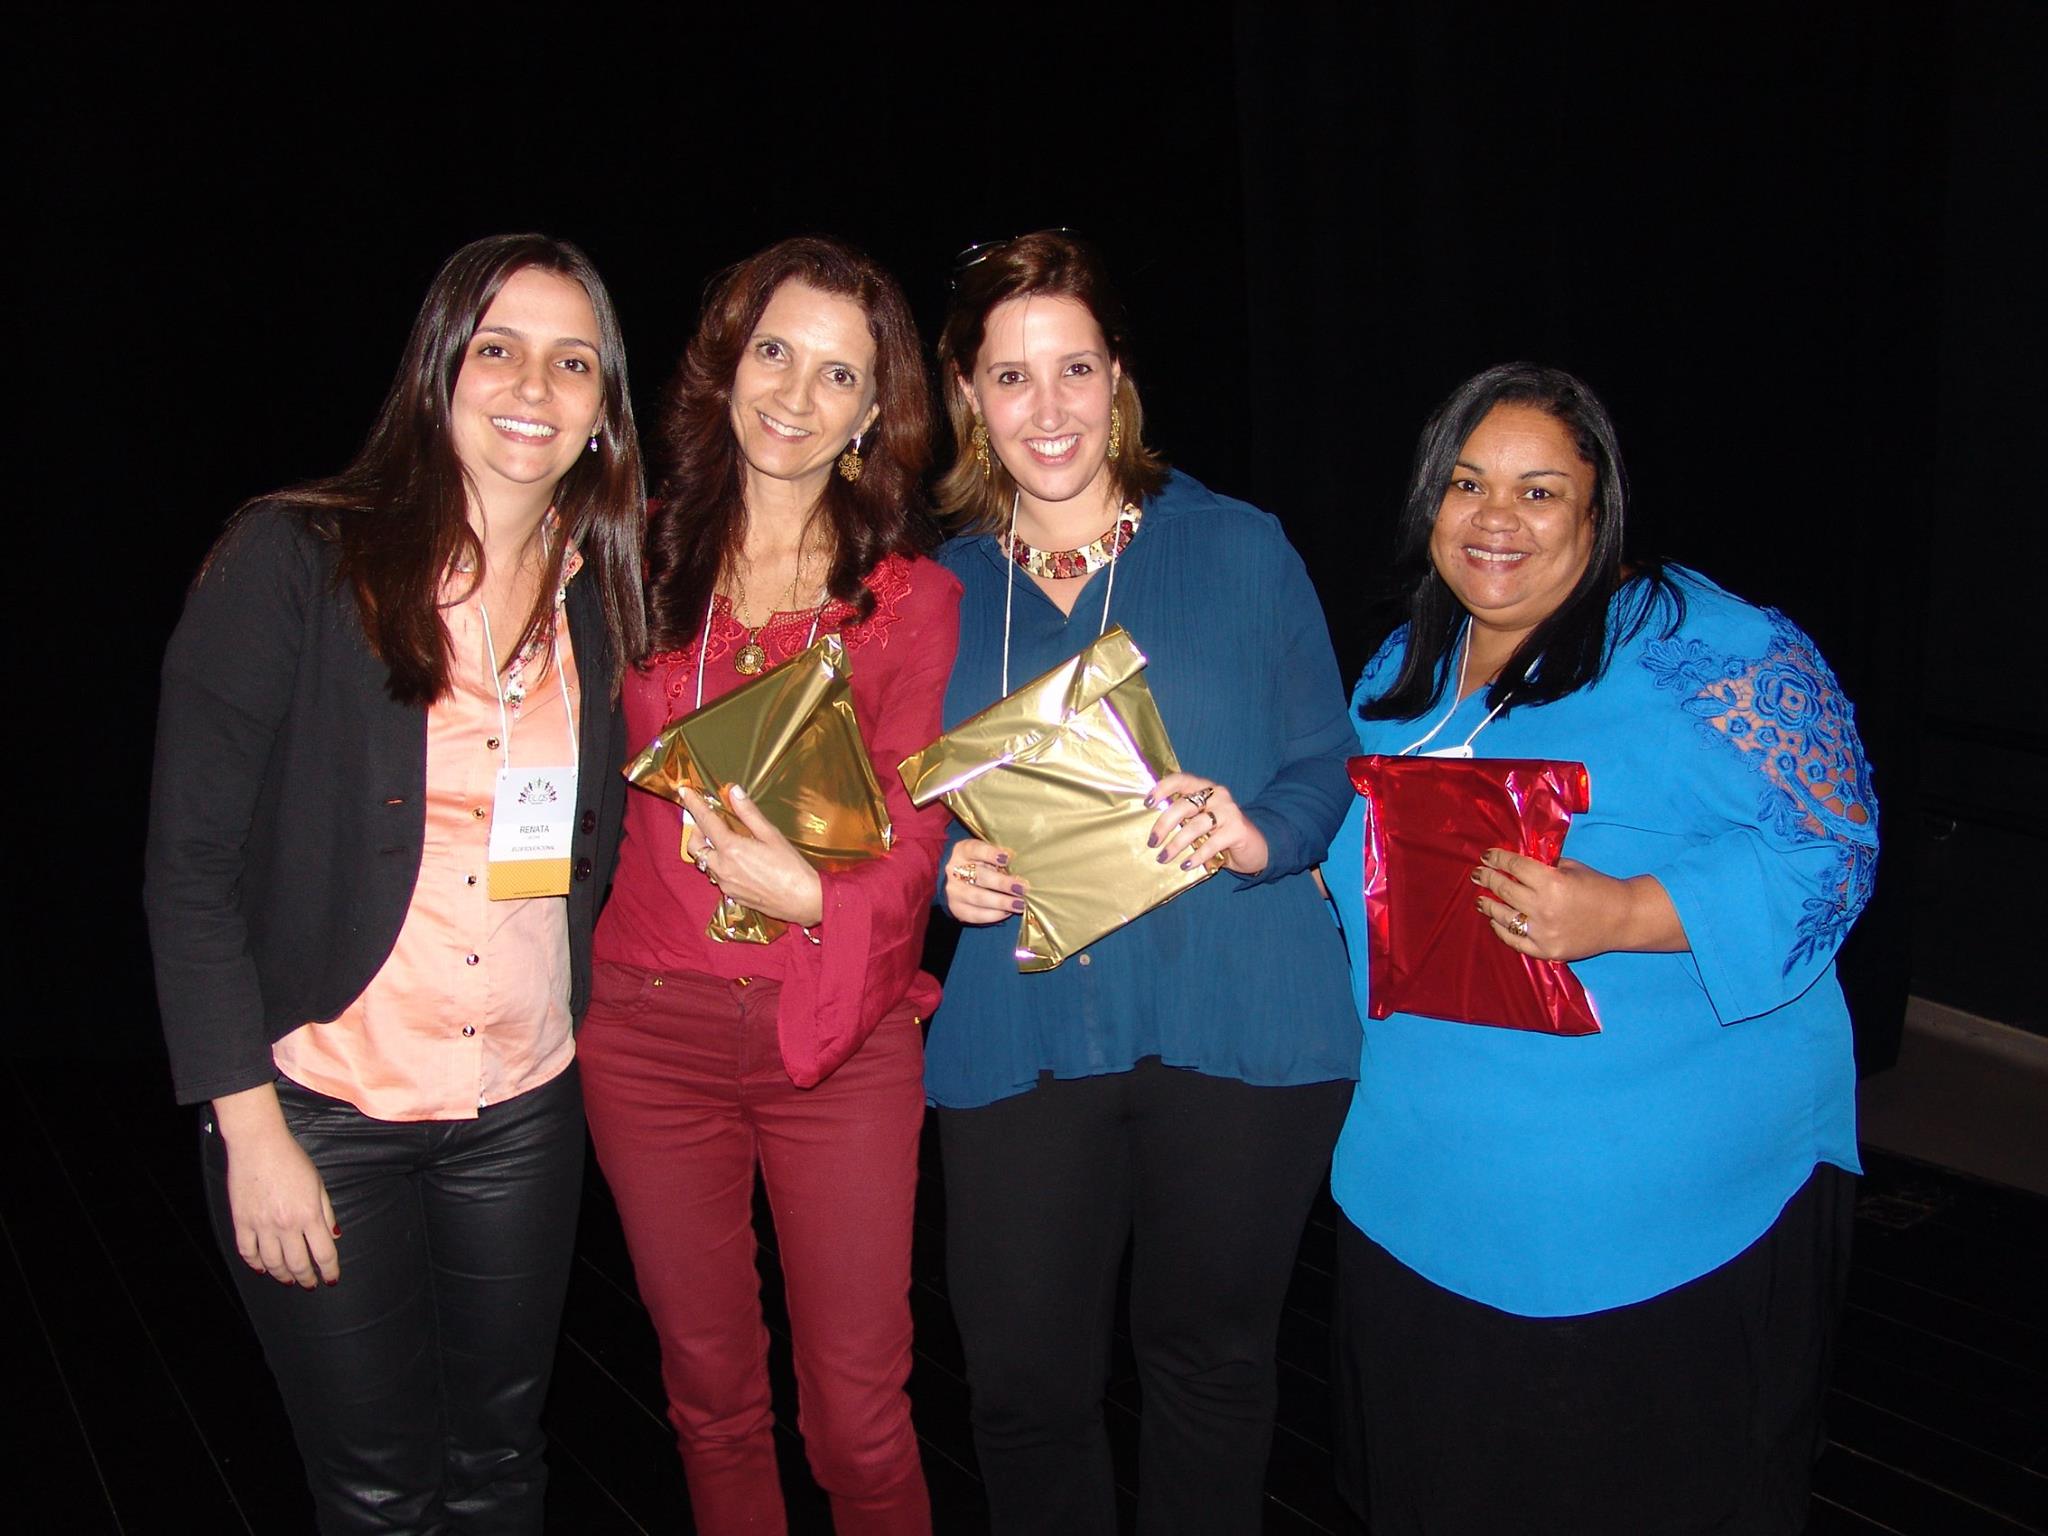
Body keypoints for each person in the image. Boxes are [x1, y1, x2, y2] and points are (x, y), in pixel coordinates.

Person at [144, 233, 647, 1532]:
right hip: (323, 1104)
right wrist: (248, 1130)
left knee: (502, 1467)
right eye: (498, 348)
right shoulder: (295, 558)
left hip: (522, 1106)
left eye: (572, 361)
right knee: (376, 1491)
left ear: (603, 408)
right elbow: (188, 867)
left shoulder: (600, 599)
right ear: (438, 371)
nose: (533, 385)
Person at [1322, 363, 1877, 1535]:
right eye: (1465, 483)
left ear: (1597, 507)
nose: (1494, 518)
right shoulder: (1399, 667)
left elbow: (1833, 849)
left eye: (1537, 491)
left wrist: (1624, 913)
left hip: (1664, 1229)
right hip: (1420, 1202)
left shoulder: (1712, 650)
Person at [928, 230, 1361, 1535]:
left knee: (1209, 1369)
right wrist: (943, 871)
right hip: (1021, 1026)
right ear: (968, 395)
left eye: (1073, 368)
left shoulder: (1239, 547)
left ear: (1116, 376)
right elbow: (894, 815)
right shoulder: (935, 592)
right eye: (1011, 376)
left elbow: (1325, 759)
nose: (1046, 408)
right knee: (1019, 1389)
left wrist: (1258, 832)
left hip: (1237, 1009)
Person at [576, 236, 958, 1535]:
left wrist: (812, 900)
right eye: (775, 352)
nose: (795, 394)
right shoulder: (630, 556)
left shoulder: (909, 602)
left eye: (838, 374)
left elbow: (917, 838)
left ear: (872, 414)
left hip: (836, 1034)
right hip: (646, 1035)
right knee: (709, 1402)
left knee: (858, 1423)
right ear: (728, 363)